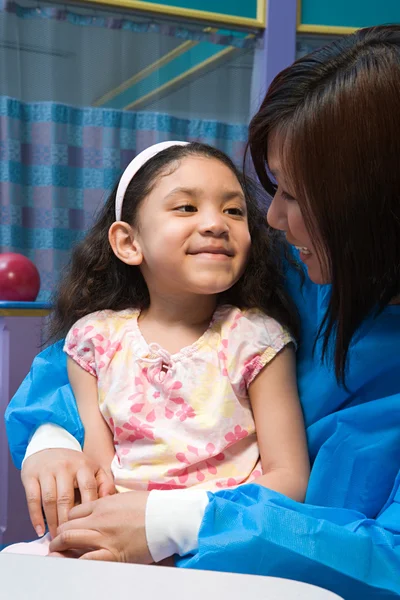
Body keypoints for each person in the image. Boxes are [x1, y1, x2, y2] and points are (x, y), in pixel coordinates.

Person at [4, 24, 400, 598]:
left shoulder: (260, 329)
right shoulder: (300, 273)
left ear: (374, 207)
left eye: (295, 195)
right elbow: (79, 366)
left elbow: (385, 559)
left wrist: (176, 521)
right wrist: (50, 437)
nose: (272, 221)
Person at [3, 140, 309, 556]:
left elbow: (289, 476)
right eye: (186, 207)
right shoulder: (95, 340)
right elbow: (96, 467)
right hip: (113, 538)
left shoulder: (258, 341)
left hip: (219, 543)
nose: (216, 223)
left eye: (233, 210)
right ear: (129, 243)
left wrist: (174, 526)